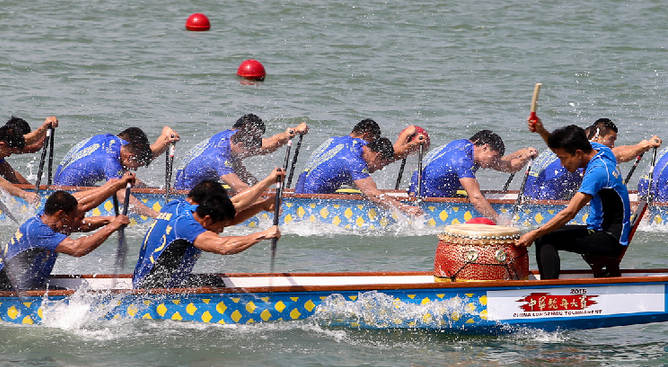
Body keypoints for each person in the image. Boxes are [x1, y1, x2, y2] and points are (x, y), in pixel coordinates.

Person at [517, 123, 631, 279]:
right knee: (545, 233)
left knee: (544, 237)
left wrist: (533, 234)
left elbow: (569, 213)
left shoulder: (597, 172)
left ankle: (548, 291)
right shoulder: (600, 150)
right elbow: (560, 148)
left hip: (609, 239)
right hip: (600, 230)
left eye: (563, 159)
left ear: (578, 153)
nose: (562, 165)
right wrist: (542, 130)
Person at [0, 175, 135, 291]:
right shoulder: (37, 231)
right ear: (62, 214)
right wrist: (111, 227)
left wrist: (115, 187)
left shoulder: (49, 216)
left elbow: (82, 205)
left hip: (29, 287)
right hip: (4, 293)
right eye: (74, 217)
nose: (78, 221)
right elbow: (77, 249)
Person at [132, 193, 280, 289]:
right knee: (218, 286)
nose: (221, 231)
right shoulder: (188, 228)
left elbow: (232, 212)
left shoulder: (180, 206)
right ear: (208, 219)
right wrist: (262, 235)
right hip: (153, 291)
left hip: (141, 280)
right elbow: (224, 247)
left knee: (216, 281)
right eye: (221, 227)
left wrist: (262, 205)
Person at [294, 120, 427, 216]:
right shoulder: (354, 161)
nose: (380, 169)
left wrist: (405, 141)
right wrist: (405, 208)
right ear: (378, 156)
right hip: (309, 206)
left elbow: (388, 152)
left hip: (298, 194)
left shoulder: (340, 140)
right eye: (383, 164)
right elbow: (373, 194)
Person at [408, 130, 537, 223]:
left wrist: (524, 157)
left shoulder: (466, 146)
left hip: (423, 192)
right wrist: (501, 221)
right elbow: (476, 200)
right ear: (485, 147)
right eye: (494, 157)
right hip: (425, 202)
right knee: (477, 196)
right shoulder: (463, 161)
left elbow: (509, 167)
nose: (495, 161)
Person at [53, 126, 180, 218]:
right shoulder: (110, 161)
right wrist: (156, 215)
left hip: (58, 184)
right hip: (66, 197)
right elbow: (123, 197)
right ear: (129, 157)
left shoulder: (114, 141)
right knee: (118, 189)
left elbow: (145, 155)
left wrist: (166, 136)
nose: (135, 169)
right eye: (136, 165)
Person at [525, 118, 661, 200]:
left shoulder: (568, 146)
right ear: (596, 136)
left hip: (531, 197)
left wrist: (541, 130)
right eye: (610, 139)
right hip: (545, 201)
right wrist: (644, 146)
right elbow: (617, 154)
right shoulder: (587, 150)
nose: (612, 145)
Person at [175, 114, 309, 193]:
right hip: (188, 195)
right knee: (244, 188)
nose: (253, 147)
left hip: (202, 185)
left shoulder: (229, 136)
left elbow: (267, 144)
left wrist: (293, 132)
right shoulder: (219, 157)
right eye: (253, 139)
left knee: (250, 181)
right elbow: (240, 188)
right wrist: (267, 201)